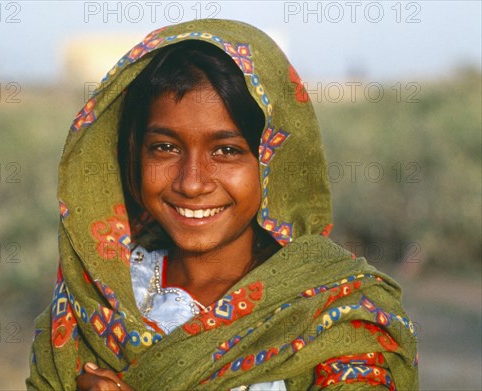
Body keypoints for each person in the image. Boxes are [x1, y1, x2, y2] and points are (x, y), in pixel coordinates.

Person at [27, 19, 418, 390]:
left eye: (227, 151)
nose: (192, 182)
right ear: (132, 154)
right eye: (165, 148)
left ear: (273, 164)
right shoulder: (95, 302)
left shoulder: (330, 309)